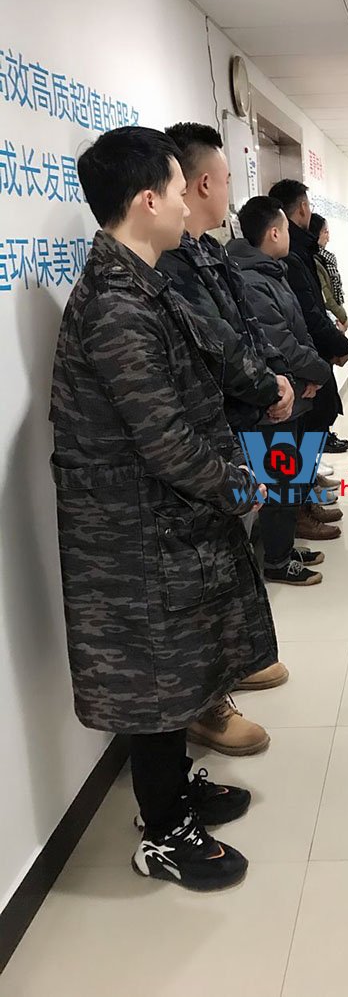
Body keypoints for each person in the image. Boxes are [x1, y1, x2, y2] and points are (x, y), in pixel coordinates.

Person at [50, 126, 271, 891]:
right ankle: (163, 832)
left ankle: (175, 790)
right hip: (132, 534)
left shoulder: (140, 282)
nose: (187, 204)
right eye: (179, 190)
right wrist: (239, 485)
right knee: (153, 674)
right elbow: (166, 440)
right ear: (148, 199)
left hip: (161, 521)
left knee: (179, 664)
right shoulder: (116, 305)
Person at [157, 122, 290, 757]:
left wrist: (273, 380)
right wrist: (266, 386)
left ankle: (232, 666)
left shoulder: (207, 251)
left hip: (240, 411)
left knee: (234, 552)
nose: (229, 190)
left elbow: (246, 330)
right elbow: (217, 343)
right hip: (215, 424)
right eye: (227, 178)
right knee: (212, 561)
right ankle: (209, 700)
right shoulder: (166, 265)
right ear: (202, 183)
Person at [230, 195, 343, 577]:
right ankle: (277, 561)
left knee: (288, 481)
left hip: (294, 392)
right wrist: (318, 373)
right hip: (272, 403)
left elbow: (298, 333)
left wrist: (310, 375)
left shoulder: (271, 272)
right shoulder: (252, 280)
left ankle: (285, 549)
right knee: (278, 485)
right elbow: (280, 343)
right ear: (275, 232)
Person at [268, 179, 348, 455]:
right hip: (298, 364)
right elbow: (305, 314)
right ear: (303, 208)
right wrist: (334, 349)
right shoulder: (290, 258)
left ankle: (307, 477)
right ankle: (303, 479)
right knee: (307, 423)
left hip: (306, 357)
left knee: (312, 421)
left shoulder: (300, 251)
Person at [309, 213, 348, 331]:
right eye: (325, 232)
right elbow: (326, 296)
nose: (328, 238)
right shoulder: (314, 261)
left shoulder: (325, 259)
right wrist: (343, 317)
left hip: (333, 316)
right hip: (328, 319)